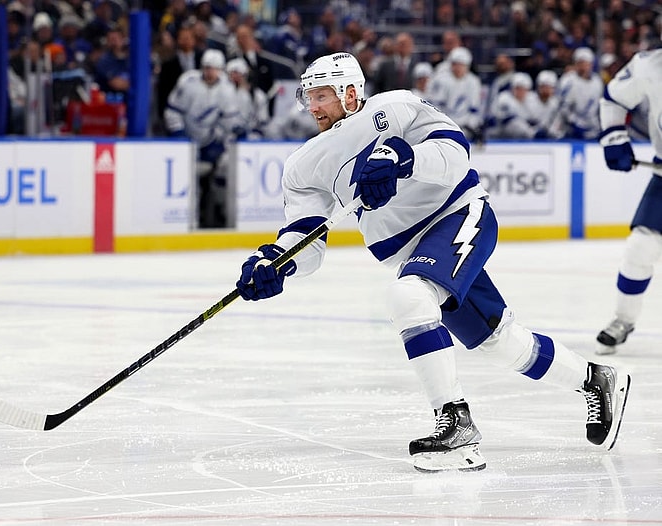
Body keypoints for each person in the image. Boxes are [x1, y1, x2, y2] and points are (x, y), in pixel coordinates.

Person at [234, 52, 630, 473]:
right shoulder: (302, 165)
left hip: (458, 214)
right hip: (413, 253)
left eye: (321, 96)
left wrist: (405, 159)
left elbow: (455, 153)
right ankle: (595, 379)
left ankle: (458, 426)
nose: (311, 107)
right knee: (498, 340)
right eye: (307, 97)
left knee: (408, 295)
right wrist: (276, 260)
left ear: (351, 93)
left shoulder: (396, 107)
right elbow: (307, 239)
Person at [594, 46, 662, 354]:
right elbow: (614, 98)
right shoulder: (650, 65)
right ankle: (623, 320)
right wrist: (614, 137)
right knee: (640, 248)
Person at [164, 48, 244, 228]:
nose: (210, 72)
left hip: (209, 142)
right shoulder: (188, 83)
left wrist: (232, 132)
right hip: (186, 140)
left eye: (214, 68)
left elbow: (229, 120)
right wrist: (178, 133)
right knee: (187, 183)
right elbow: (172, 111)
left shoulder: (226, 89)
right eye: (207, 68)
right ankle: (189, 222)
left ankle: (217, 217)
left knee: (222, 176)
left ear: (221, 70)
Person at [558, 47, 603, 140]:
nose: (583, 66)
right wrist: (575, 123)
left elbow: (599, 106)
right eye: (580, 63)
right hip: (571, 129)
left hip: (593, 128)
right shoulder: (568, 80)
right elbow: (563, 107)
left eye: (586, 63)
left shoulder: (597, 81)